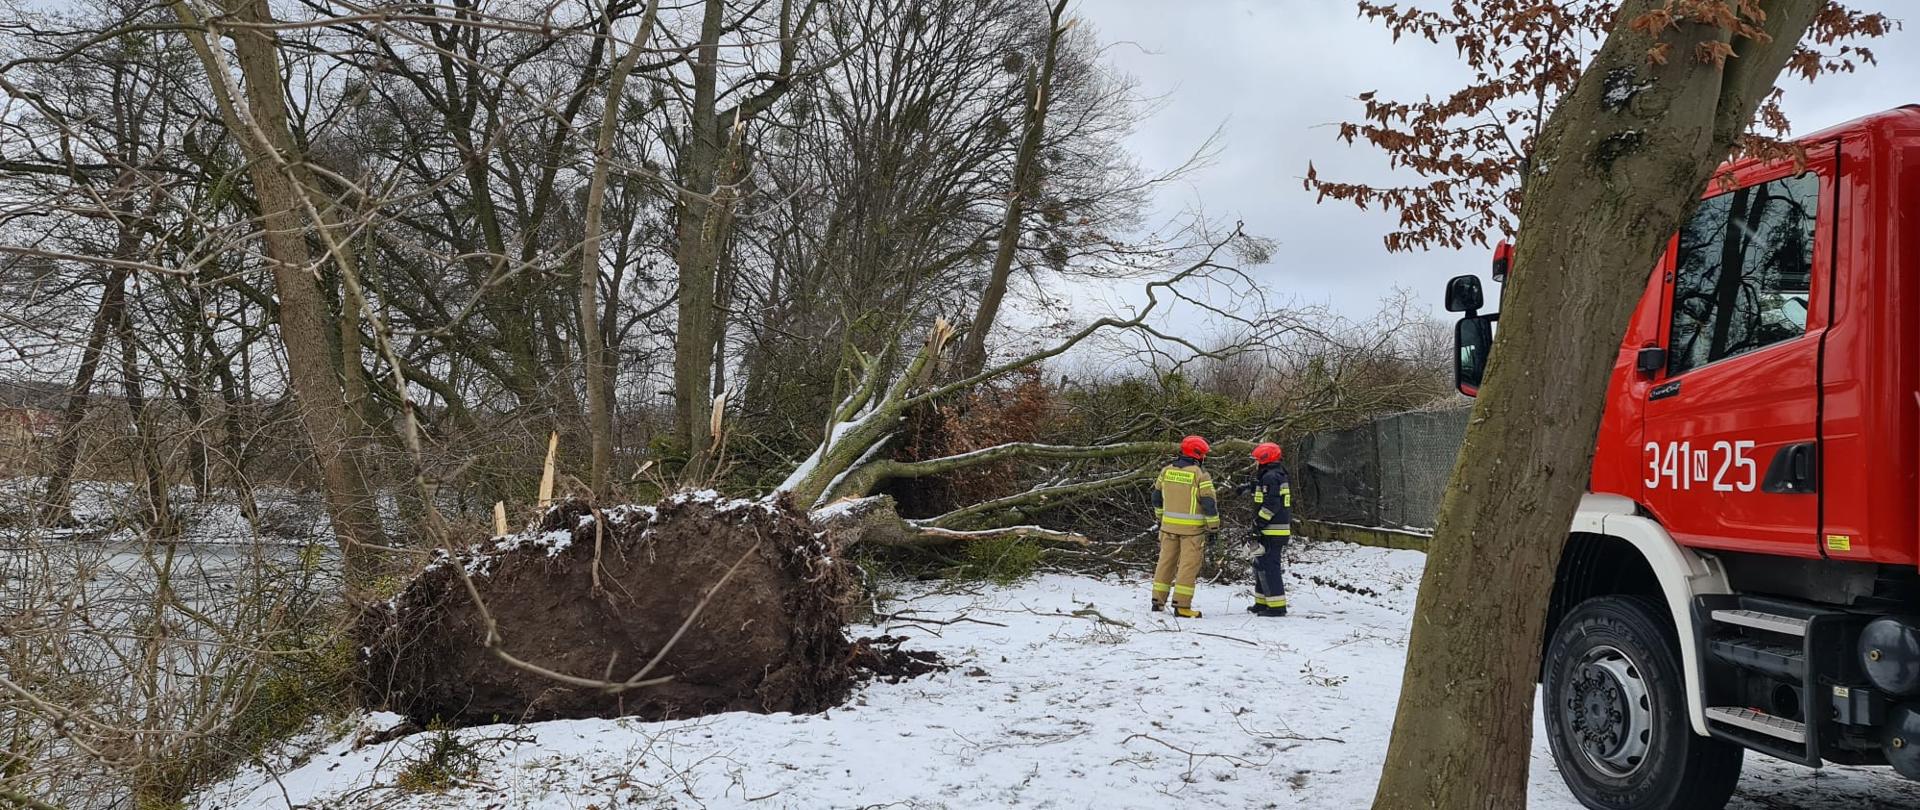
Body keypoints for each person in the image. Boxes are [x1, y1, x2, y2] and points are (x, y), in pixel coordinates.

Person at [1150, 435, 1220, 617]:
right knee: (1188, 567)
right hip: (1192, 532)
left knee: (1165, 562)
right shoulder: (1200, 475)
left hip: (1167, 528)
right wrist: (1213, 528)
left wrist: (1160, 518)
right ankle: (1182, 606)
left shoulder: (1166, 471)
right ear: (1198, 455)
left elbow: (1156, 498)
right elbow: (1208, 503)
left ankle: (1157, 601)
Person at [1237, 442, 1292, 616]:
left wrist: (1258, 523)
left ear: (1264, 459)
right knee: (1260, 564)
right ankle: (1262, 602)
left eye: (1257, 460)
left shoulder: (1271, 477)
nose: (1255, 463)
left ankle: (1276, 607)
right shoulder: (1273, 475)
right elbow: (1265, 489)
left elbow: (1271, 504)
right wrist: (1248, 488)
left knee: (1269, 567)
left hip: (1272, 530)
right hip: (1271, 529)